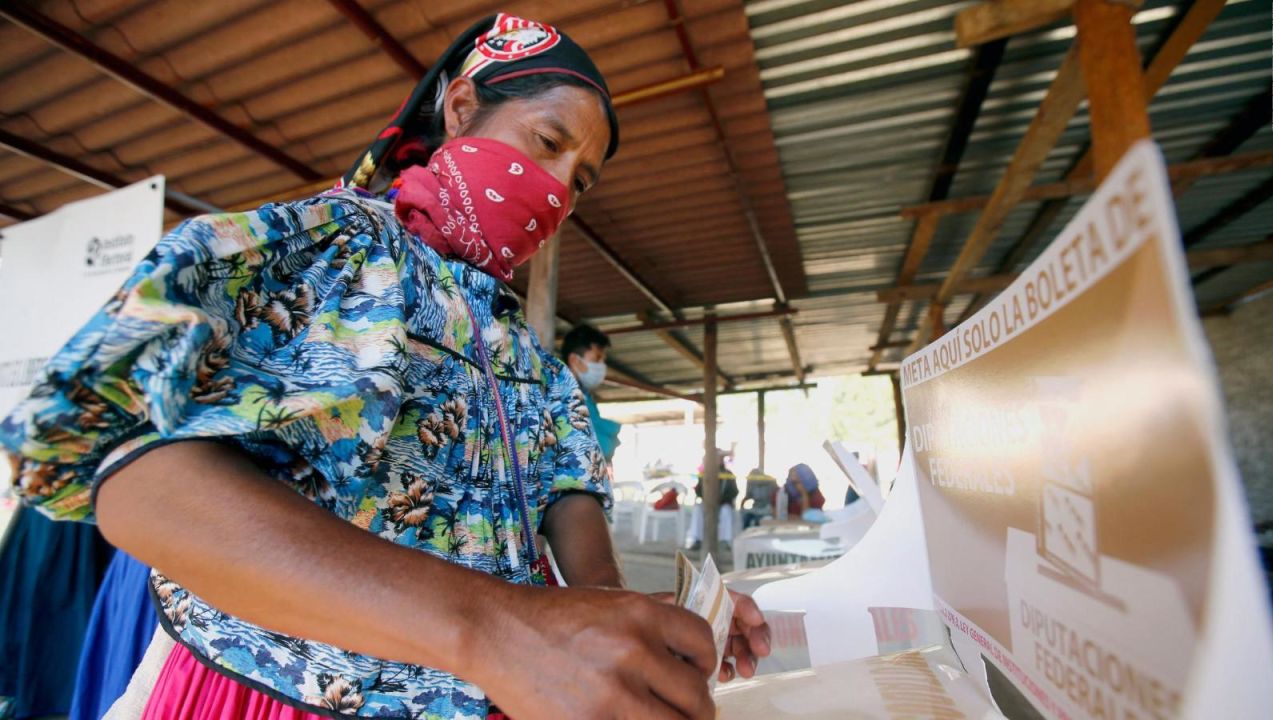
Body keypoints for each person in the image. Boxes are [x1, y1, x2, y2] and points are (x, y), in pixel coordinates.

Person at [0, 14, 768, 720]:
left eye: (583, 178)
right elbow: (133, 480)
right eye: (546, 142)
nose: (560, 188)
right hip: (287, 698)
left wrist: (655, 628)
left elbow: (583, 561)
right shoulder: (333, 253)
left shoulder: (532, 363)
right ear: (461, 109)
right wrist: (495, 630)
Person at [560, 323, 621, 461]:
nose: (601, 367)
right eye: (597, 359)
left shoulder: (583, 396)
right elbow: (599, 446)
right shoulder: (562, 396)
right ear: (574, 359)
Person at [686, 454, 739, 552]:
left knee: (726, 511)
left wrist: (722, 499)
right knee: (698, 509)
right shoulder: (705, 473)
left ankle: (724, 540)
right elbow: (698, 491)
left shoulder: (728, 474)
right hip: (707, 503)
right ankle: (697, 540)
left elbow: (734, 491)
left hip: (723, 504)